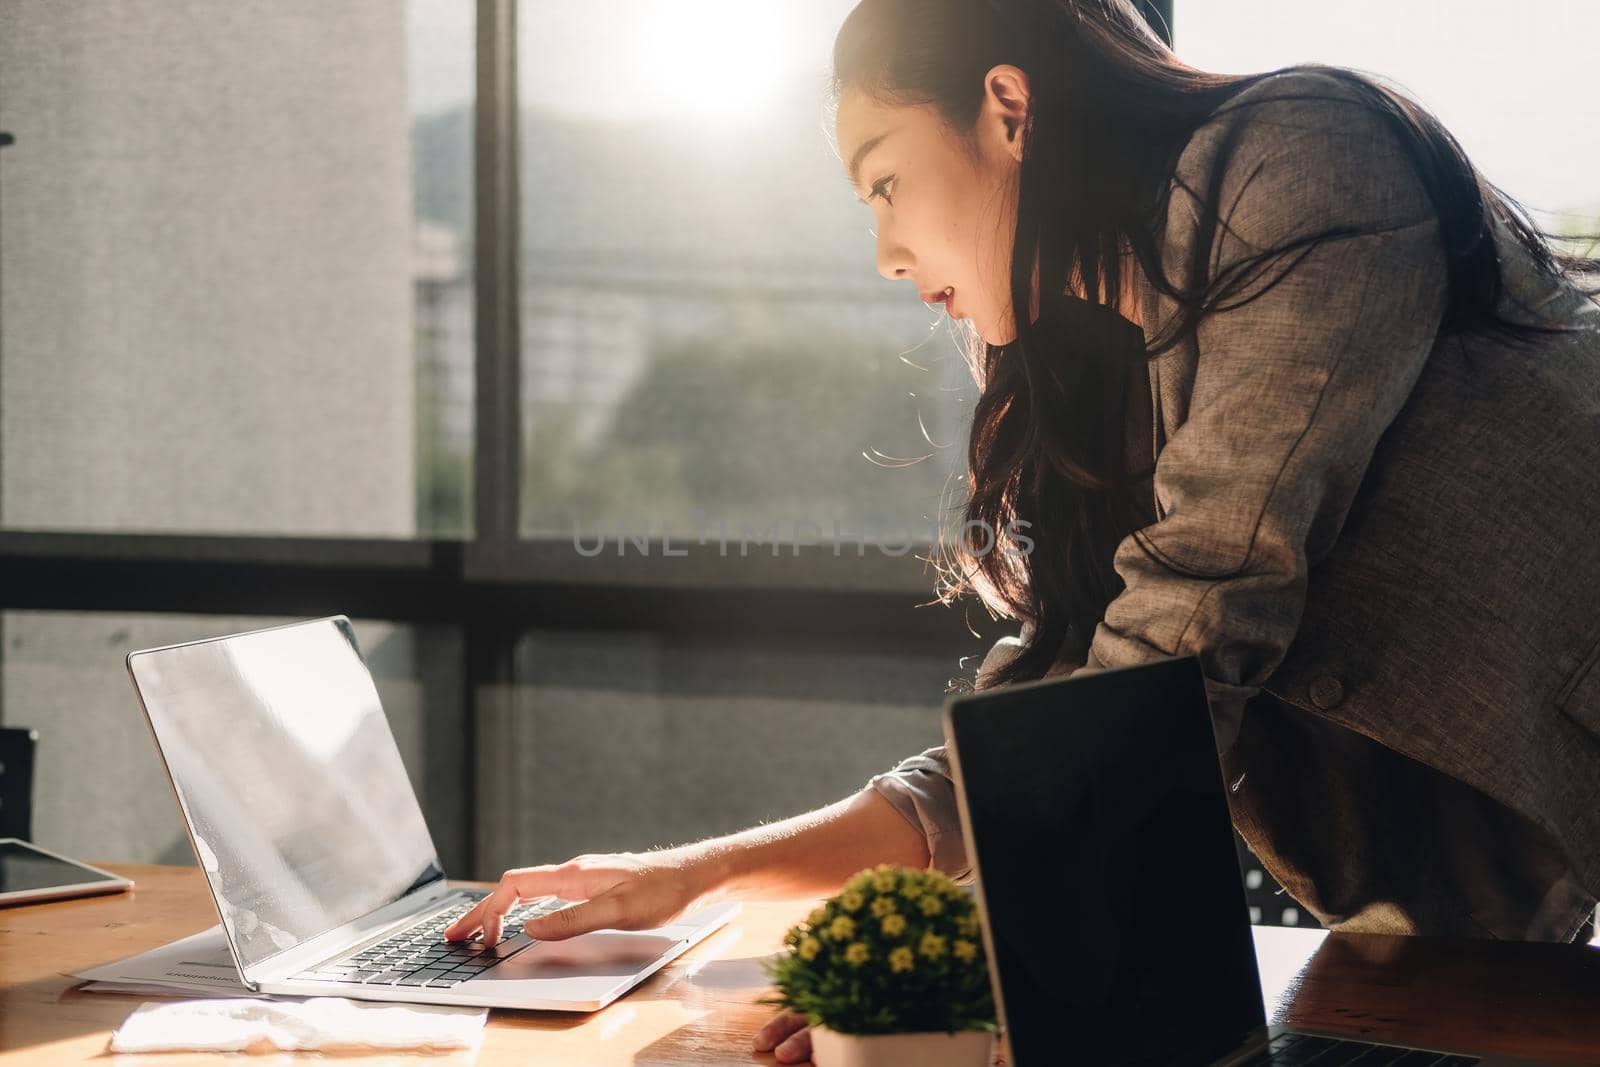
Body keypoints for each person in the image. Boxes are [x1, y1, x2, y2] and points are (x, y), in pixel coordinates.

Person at [443, 1, 1600, 1062]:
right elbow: (1049, 720)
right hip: (1491, 908)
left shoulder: (1294, 156)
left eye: (884, 183)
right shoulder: (1099, 354)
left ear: (1007, 108)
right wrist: (679, 879)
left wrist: (984, 961)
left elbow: (1199, 611)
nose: (885, 255)